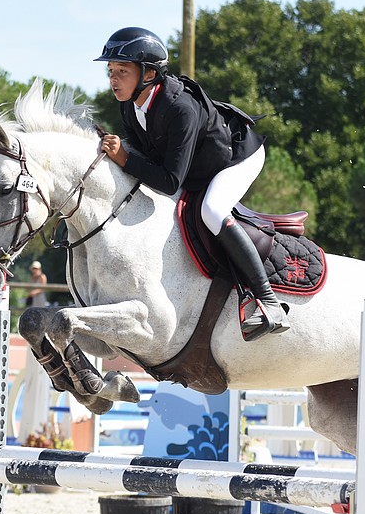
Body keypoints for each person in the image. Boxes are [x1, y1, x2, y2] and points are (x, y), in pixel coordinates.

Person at [94, 27, 289, 339]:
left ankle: (268, 301)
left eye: (122, 71)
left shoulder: (180, 108)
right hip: (199, 165)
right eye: (111, 71)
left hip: (236, 157)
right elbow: (147, 158)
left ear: (148, 73)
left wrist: (125, 160)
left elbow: (170, 181)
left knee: (211, 210)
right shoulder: (129, 104)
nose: (113, 80)